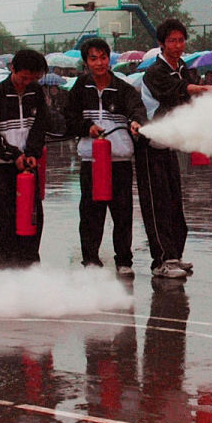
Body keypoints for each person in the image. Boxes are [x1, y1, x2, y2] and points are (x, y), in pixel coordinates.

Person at [137, 19, 212, 280]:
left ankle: (175, 255)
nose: (178, 45)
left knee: (174, 203)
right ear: (161, 43)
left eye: (181, 40)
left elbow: (189, 99)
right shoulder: (155, 72)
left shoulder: (183, 68)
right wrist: (199, 89)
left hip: (170, 146)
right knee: (156, 204)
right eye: (172, 41)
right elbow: (176, 92)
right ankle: (161, 261)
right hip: (151, 147)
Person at [66, 37, 146, 277]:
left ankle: (124, 260)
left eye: (103, 57)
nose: (99, 63)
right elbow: (69, 118)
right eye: (93, 58)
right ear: (86, 62)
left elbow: (137, 109)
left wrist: (135, 122)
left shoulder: (122, 88)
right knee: (90, 213)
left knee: (122, 213)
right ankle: (90, 260)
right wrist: (86, 127)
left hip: (119, 162)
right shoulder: (80, 88)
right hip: (91, 162)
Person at [0, 49, 48, 269]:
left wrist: (32, 153)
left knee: (32, 219)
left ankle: (30, 269)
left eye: (33, 79)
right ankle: (3, 271)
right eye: (23, 78)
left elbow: (40, 127)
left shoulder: (36, 93)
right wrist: (13, 154)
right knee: (2, 223)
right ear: (12, 69)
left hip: (28, 168)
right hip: (0, 168)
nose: (26, 83)